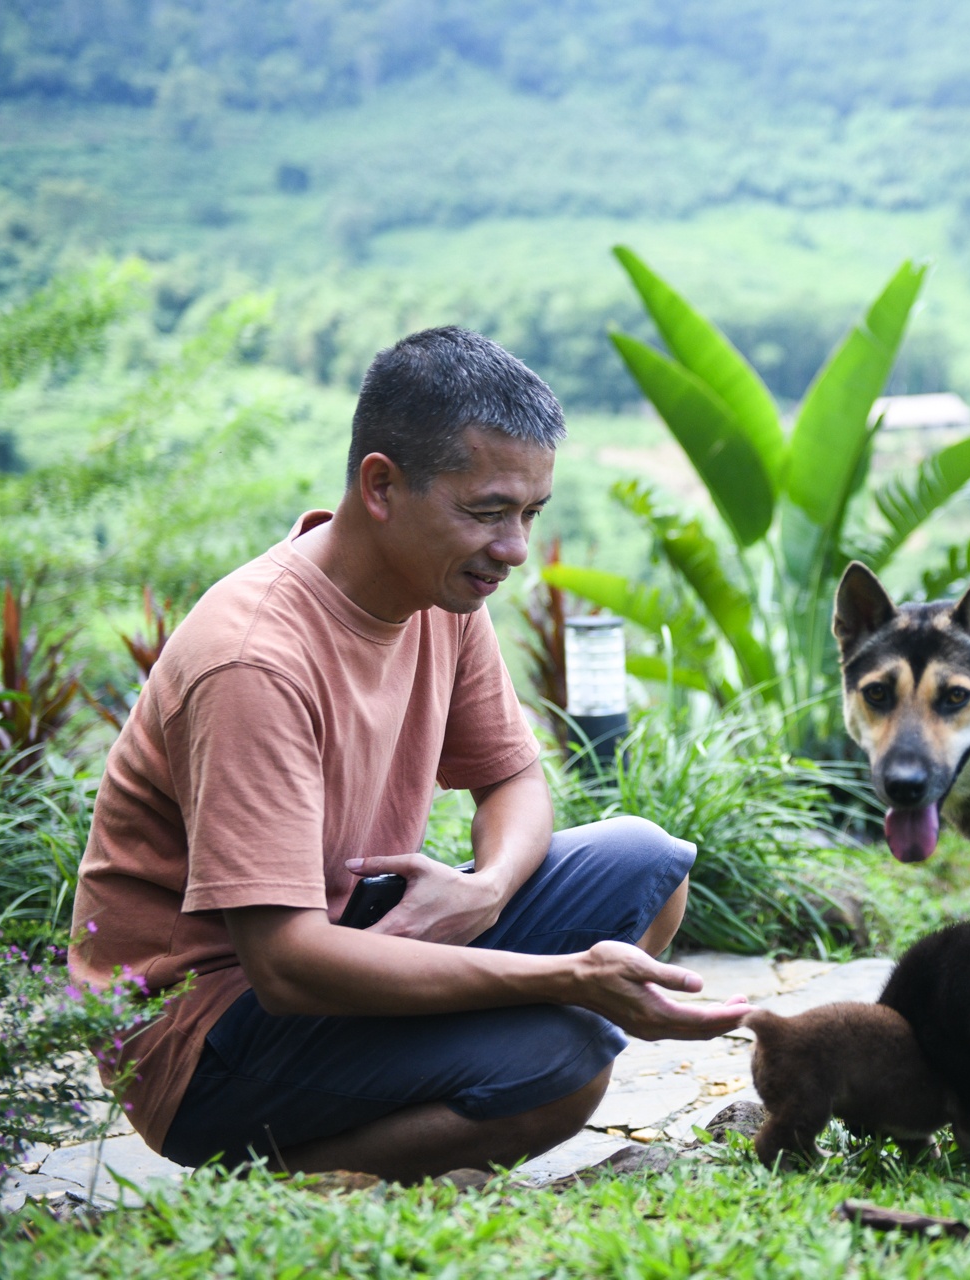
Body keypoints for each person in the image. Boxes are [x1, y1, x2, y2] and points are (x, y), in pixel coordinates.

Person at [69, 327, 749, 1181]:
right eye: (487, 512)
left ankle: (411, 1104)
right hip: (207, 1030)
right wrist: (566, 976)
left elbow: (514, 779)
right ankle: (311, 1178)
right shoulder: (254, 659)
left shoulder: (443, 595)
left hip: (348, 928)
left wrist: (483, 891)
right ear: (382, 486)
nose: (514, 551)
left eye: (529, 514)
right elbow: (283, 964)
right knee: (559, 1065)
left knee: (646, 860)